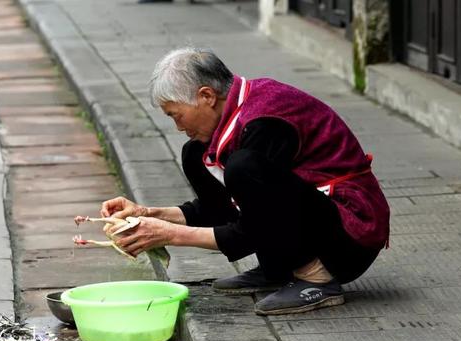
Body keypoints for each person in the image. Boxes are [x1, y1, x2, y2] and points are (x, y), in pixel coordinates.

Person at [100, 47, 390, 315]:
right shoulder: (240, 111)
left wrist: (169, 234)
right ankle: (277, 268)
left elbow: (254, 227)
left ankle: (315, 277)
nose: (178, 127)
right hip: (314, 218)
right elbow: (224, 211)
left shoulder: (266, 120)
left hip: (351, 236)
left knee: (242, 167)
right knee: (195, 153)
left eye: (177, 115)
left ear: (207, 96)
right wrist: (148, 215)